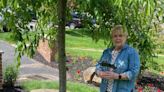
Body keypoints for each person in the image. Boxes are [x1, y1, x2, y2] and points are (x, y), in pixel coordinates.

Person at [95, 25, 140, 92]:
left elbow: (134, 72)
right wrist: (99, 73)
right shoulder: (107, 52)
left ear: (125, 37)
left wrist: (118, 76)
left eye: (120, 35)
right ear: (112, 38)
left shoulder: (131, 52)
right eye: (115, 36)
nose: (117, 38)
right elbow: (98, 66)